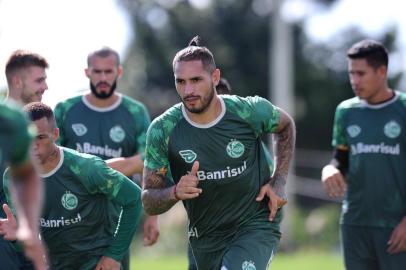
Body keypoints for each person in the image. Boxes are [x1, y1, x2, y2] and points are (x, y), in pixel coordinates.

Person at [142, 36, 295, 270]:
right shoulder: (163, 129)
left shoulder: (248, 111)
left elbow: (286, 126)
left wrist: (279, 179)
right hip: (204, 238)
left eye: (196, 80)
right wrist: (175, 191)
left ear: (215, 77)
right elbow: (149, 201)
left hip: (255, 225)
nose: (188, 90)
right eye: (180, 82)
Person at [1, 102, 143, 269]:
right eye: (29, 138)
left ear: (55, 134)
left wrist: (113, 255)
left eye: (40, 137)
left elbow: (134, 199)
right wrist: (17, 236)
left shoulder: (87, 168)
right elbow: (27, 239)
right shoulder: (12, 178)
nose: (33, 146)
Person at [53, 46, 159, 269]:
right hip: (72, 216)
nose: (103, 77)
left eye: (108, 72)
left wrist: (152, 215)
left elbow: (149, 161)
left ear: (119, 72)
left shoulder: (135, 111)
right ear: (87, 72)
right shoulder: (65, 109)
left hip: (117, 217)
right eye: (97, 72)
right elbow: (51, 162)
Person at [321, 39, 406, 270]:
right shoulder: (346, 111)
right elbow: (341, 157)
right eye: (351, 74)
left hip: (397, 225)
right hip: (355, 223)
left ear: (382, 71)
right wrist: (330, 169)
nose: (354, 81)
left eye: (361, 73)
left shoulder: (403, 109)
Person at [1, 50, 49, 270]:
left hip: (27, 245)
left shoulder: (17, 122)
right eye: (39, 80)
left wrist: (28, 229)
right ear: (18, 81)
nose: (45, 87)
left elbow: (28, 175)